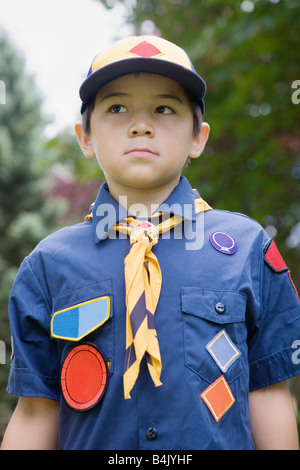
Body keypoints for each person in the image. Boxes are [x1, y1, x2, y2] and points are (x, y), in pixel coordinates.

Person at [2, 35, 300, 450]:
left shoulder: (247, 249)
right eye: (116, 107)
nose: (140, 124)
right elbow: (36, 412)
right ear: (85, 137)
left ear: (198, 137)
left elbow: (268, 394)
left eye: (164, 108)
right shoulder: (48, 265)